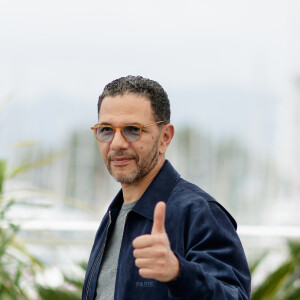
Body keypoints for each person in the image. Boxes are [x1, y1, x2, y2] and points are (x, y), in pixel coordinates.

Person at [82, 75, 251, 300]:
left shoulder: (199, 212)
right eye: (106, 130)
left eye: (133, 129)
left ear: (165, 138)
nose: (117, 143)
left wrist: (179, 274)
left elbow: (235, 296)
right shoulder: (114, 215)